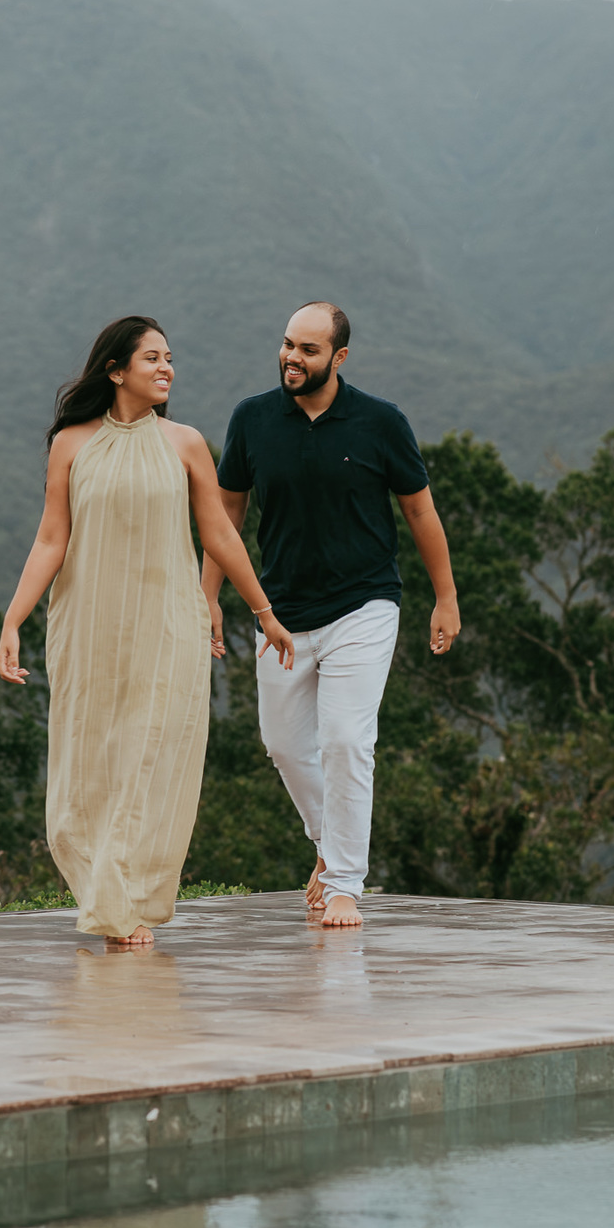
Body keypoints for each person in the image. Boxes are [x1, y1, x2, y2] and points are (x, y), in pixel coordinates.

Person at [0, 315, 295, 947]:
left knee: (151, 754)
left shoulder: (185, 443)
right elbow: (53, 537)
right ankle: (108, 896)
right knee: (89, 757)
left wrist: (263, 612)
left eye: (169, 359)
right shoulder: (71, 445)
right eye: (152, 358)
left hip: (168, 623)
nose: (167, 369)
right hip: (89, 625)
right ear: (116, 369)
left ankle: (122, 904)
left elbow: (219, 532)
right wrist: (13, 618)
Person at [201, 301, 461, 930]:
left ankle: (345, 882)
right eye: (288, 344)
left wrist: (445, 597)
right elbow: (226, 517)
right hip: (280, 613)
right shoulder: (253, 419)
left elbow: (420, 513)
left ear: (338, 358)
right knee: (285, 746)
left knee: (346, 741)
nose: (292, 357)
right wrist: (206, 595)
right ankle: (328, 845)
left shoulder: (380, 422)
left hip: (364, 605)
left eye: (308, 350)